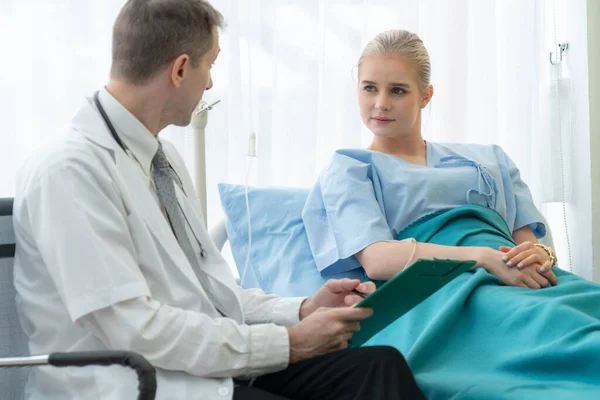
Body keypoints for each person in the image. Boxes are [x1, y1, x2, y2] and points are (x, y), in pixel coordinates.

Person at [12, 4, 426, 399]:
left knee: (378, 368)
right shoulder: (69, 172)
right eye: (209, 65)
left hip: (200, 371)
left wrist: (302, 309)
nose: (209, 83)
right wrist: (288, 344)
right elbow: (132, 329)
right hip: (134, 386)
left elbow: (211, 292)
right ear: (179, 69)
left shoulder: (161, 158)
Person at [302, 30, 600, 399]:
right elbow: (377, 260)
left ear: (425, 95)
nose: (380, 103)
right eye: (369, 88)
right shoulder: (350, 168)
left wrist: (540, 255)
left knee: (581, 315)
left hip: (520, 278)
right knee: (556, 337)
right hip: (440, 295)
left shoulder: (489, 159)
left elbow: (528, 240)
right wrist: (482, 259)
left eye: (398, 90)